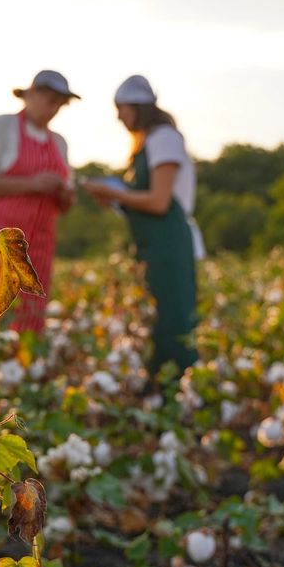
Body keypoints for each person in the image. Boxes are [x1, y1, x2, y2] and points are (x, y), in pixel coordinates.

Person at [82, 75, 203, 375]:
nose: (119, 116)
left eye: (122, 108)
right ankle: (160, 388)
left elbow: (160, 202)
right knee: (152, 317)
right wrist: (117, 201)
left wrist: (115, 192)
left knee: (171, 321)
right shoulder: (148, 142)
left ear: (138, 107)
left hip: (169, 244)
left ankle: (178, 386)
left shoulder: (164, 137)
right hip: (153, 244)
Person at [0, 70, 78, 333]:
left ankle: (25, 371)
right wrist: (32, 184)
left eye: (60, 103)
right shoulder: (1, 126)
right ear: (30, 94)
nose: (54, 107)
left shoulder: (59, 143)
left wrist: (64, 194)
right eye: (50, 99)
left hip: (37, 250)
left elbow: (66, 206)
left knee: (27, 324)